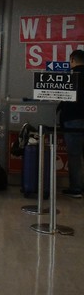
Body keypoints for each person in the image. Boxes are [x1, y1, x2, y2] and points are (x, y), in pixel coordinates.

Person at [59, 49, 84, 198]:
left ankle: (76, 189)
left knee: (74, 156)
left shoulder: (71, 77)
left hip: (73, 120)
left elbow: (66, 100)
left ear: (72, 60)